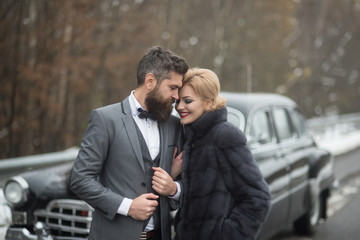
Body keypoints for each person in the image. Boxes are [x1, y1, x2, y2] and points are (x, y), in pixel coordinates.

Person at [70, 46, 188, 240]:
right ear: (150, 81)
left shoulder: (175, 125)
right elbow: (81, 179)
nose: (177, 96)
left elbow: (188, 182)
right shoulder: (105, 119)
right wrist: (128, 207)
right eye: (172, 88)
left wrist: (174, 189)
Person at [174, 68, 271, 240]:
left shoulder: (225, 136)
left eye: (187, 101)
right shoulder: (191, 137)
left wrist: (226, 235)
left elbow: (258, 197)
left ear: (209, 102)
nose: (179, 107)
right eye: (178, 101)